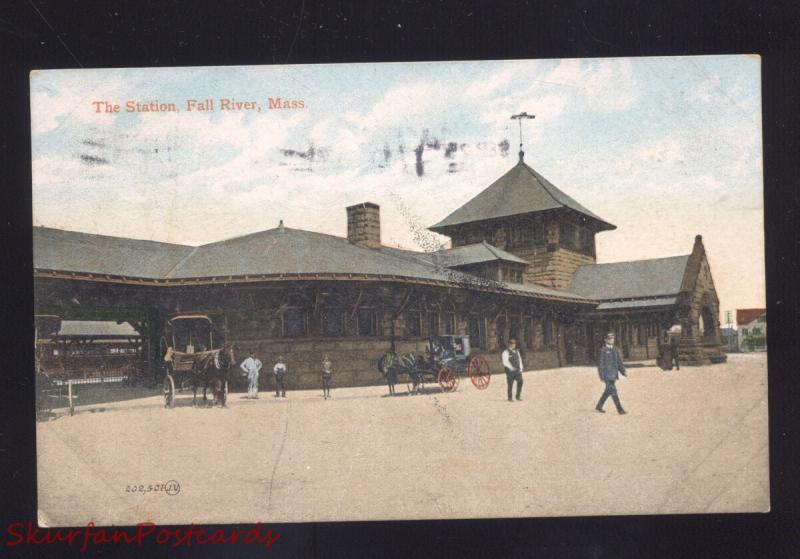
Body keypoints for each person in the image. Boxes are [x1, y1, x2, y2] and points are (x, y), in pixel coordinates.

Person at [596, 333, 627, 414]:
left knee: (608, 391)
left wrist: (623, 371)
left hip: (614, 375)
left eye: (612, 339)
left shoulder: (616, 350)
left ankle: (599, 406)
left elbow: (619, 362)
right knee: (613, 391)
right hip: (607, 375)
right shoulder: (603, 350)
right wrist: (601, 375)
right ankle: (620, 409)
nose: (611, 340)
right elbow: (601, 364)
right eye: (609, 339)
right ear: (605, 340)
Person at [501, 337, 524, 402]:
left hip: (517, 370)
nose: (513, 345)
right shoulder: (505, 352)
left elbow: (519, 360)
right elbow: (505, 362)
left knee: (521, 381)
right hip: (510, 371)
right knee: (510, 384)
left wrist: (521, 368)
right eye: (512, 344)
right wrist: (511, 368)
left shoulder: (517, 351)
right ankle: (510, 397)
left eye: (514, 344)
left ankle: (518, 396)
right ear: (509, 344)